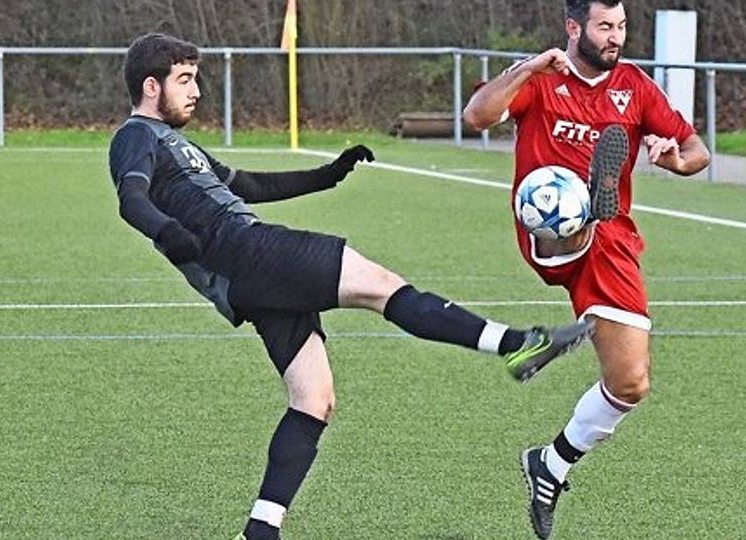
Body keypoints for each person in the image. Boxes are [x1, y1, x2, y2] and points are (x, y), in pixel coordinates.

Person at [108, 33, 593, 540]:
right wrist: (169, 233)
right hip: (248, 251)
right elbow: (132, 198)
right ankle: (516, 344)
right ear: (150, 86)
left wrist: (328, 174)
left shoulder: (177, 143)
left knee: (313, 399)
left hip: (247, 277)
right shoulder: (135, 137)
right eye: (184, 80)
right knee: (379, 285)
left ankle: (260, 531)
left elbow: (248, 185)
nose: (196, 91)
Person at [463, 1, 711, 538]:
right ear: (575, 28)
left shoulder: (634, 86)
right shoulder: (541, 78)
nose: (615, 36)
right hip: (546, 224)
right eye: (605, 26)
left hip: (614, 241)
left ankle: (549, 465)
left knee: (631, 382)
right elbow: (476, 116)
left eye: (621, 26)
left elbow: (698, 152)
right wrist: (528, 67)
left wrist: (671, 158)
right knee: (565, 208)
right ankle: (581, 214)